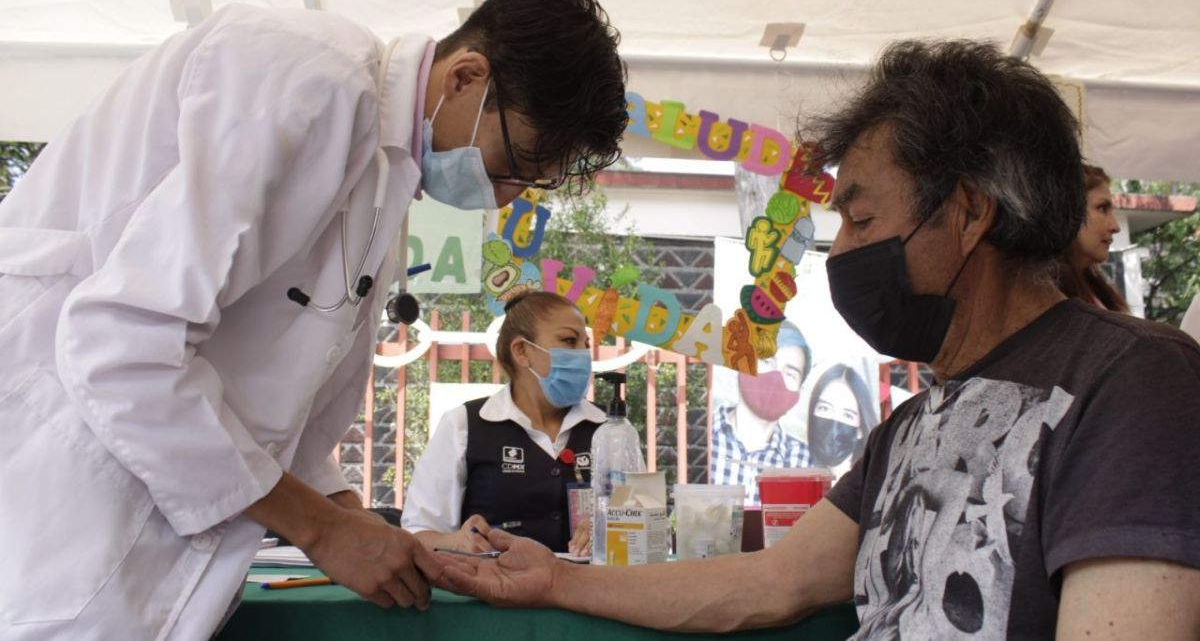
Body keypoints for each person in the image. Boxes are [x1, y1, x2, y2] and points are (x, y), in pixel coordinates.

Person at [435, 39, 1200, 639]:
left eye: (861, 220)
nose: (838, 255)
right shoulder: (910, 425)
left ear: (970, 213)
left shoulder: (1135, 385)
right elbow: (772, 582)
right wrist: (560, 579)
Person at [0, 0, 626, 639]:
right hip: (59, 487)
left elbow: (273, 406)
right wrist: (322, 528)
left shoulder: (385, 179)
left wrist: (360, 522)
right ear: (466, 77)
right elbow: (120, 346)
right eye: (515, 163)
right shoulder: (310, 75)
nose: (503, 198)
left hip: (130, 534)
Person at [402, 291, 602, 556]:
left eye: (586, 345)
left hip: (587, 592)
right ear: (522, 351)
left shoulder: (609, 429)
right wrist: (456, 542)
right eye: (569, 340)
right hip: (492, 592)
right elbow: (419, 533)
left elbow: (645, 522)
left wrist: (609, 526)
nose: (583, 355)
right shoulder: (464, 425)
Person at [710, 321, 812, 505]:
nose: (775, 377)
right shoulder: (699, 437)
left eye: (790, 373)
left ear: (800, 391)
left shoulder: (806, 462)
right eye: (766, 361)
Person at [1056, 163, 1129, 312]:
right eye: (1102, 208)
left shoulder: (1092, 286)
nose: (1115, 226)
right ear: (1067, 211)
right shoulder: (1044, 296)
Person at [805, 363, 877, 476]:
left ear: (860, 430)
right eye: (825, 408)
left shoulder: (871, 480)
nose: (833, 429)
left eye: (848, 415)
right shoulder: (795, 462)